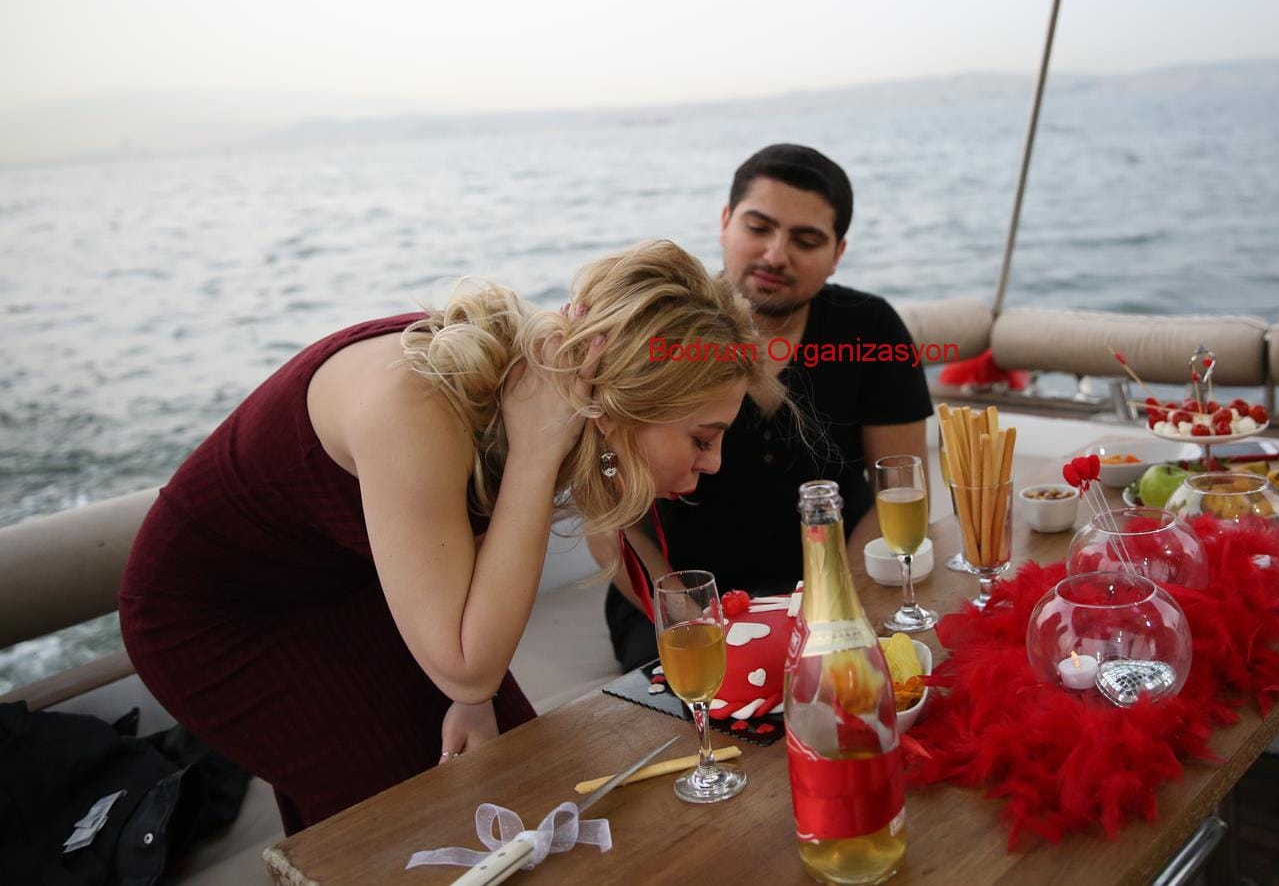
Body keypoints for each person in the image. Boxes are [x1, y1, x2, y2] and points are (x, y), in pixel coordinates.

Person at [118, 240, 779, 832]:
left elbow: (475, 604)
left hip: (354, 572)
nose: (714, 464)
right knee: (406, 824)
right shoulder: (423, 405)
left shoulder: (550, 391)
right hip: (219, 617)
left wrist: (476, 696)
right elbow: (468, 664)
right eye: (703, 438)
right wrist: (535, 451)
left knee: (519, 777)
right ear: (623, 404)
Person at [593, 144, 935, 670]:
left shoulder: (871, 330)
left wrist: (833, 607)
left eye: (806, 240)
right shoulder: (662, 331)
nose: (776, 255)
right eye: (759, 227)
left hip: (837, 585)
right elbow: (606, 514)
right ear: (725, 223)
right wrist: (689, 620)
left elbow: (901, 487)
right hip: (675, 598)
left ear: (838, 253)